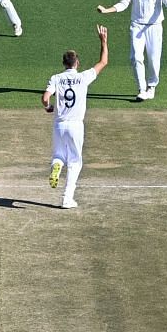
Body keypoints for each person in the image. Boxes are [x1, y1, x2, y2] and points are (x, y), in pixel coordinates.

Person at [42, 26, 111, 209]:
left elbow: (45, 97)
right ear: (77, 63)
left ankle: (57, 165)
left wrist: (49, 107)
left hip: (59, 124)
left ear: (64, 63)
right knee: (74, 162)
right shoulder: (83, 77)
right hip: (76, 126)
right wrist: (103, 41)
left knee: (58, 155)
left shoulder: (56, 78)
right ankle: (66, 198)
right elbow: (103, 62)